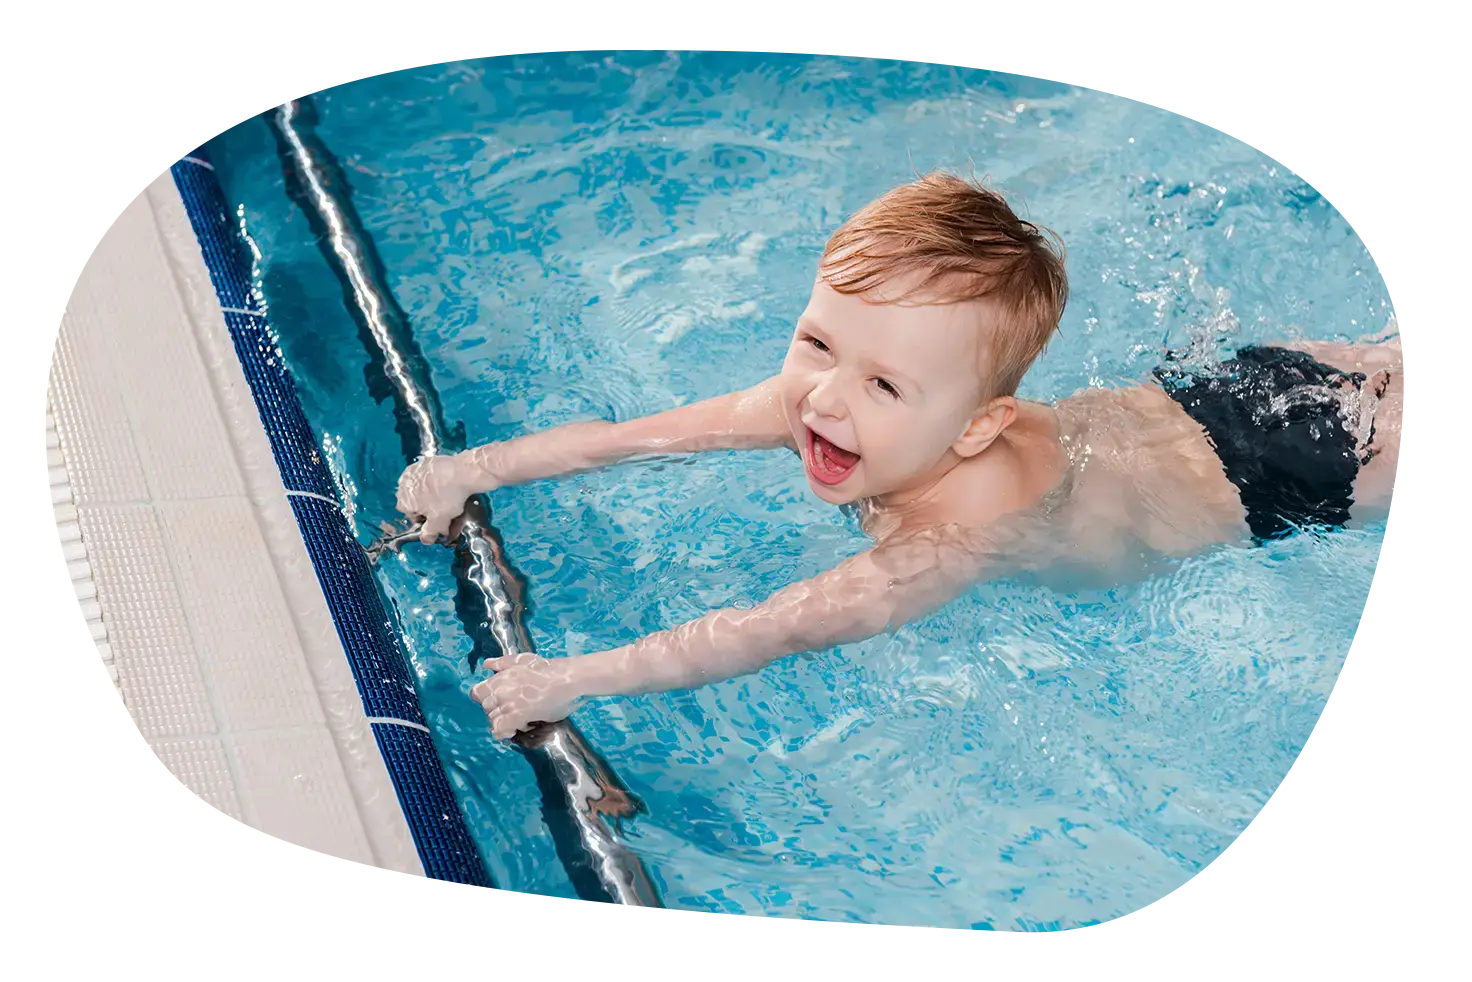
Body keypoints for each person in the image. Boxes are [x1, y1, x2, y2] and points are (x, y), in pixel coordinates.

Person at [395, 171, 1404, 740]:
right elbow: (636, 438)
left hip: (1292, 473)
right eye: (817, 344)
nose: (825, 398)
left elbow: (772, 629)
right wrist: (475, 468)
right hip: (1207, 390)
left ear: (975, 427)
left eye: (881, 385)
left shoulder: (957, 537)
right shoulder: (824, 401)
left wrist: (573, 676)